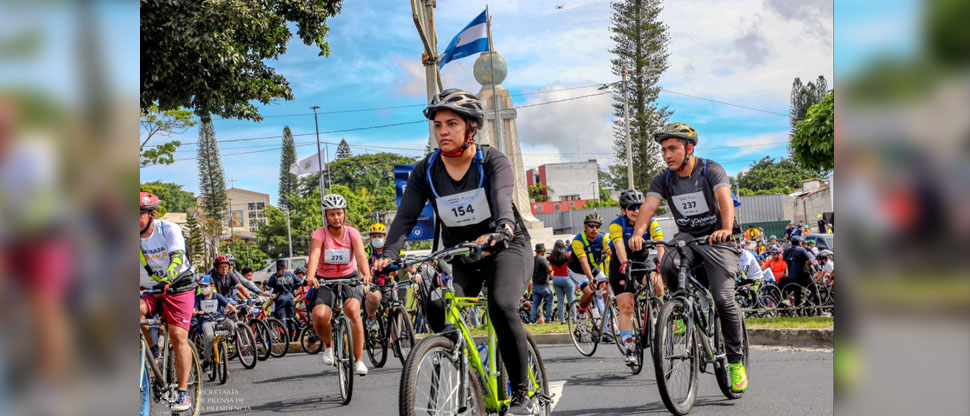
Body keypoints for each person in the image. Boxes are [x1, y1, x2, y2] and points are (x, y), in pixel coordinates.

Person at [372, 89, 536, 414]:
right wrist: (388, 255)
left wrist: (502, 229)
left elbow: (503, 200)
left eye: (451, 123)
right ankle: (463, 371)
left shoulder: (491, 161)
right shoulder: (426, 171)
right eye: (437, 124)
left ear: (471, 127)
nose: (442, 131)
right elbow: (406, 217)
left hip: (506, 246)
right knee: (441, 308)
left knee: (501, 306)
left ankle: (522, 394)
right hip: (463, 253)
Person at [628, 122, 748, 393]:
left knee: (723, 298)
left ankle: (735, 362)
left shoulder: (710, 169)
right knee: (668, 262)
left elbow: (724, 200)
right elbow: (648, 206)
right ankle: (681, 309)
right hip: (689, 239)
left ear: (689, 148)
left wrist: (726, 229)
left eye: (673, 149)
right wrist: (638, 233)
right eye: (663, 150)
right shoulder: (664, 178)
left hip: (718, 240)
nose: (667, 155)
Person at [138, 192, 197, 412]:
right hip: (150, 290)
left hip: (179, 286)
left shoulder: (169, 230)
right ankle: (154, 350)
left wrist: (169, 277)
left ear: (151, 214)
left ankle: (182, 393)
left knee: (178, 335)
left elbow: (177, 257)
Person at [305, 193, 372, 376]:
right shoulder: (320, 233)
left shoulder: (352, 233)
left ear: (344, 214)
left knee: (353, 312)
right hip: (325, 280)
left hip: (349, 277)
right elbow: (314, 255)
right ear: (326, 216)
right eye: (332, 214)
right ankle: (329, 345)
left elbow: (360, 256)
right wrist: (311, 275)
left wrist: (366, 274)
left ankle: (359, 360)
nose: (336, 217)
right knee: (319, 315)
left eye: (339, 213)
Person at [608, 188, 665, 366]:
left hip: (642, 260)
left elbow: (660, 243)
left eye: (639, 207)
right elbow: (619, 246)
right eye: (631, 207)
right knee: (626, 307)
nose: (636, 211)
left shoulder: (651, 222)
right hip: (621, 263)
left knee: (658, 286)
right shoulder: (617, 224)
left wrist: (661, 263)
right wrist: (624, 263)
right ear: (624, 210)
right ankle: (629, 347)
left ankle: (654, 312)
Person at [568, 212, 613, 342]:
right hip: (577, 270)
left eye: (597, 226)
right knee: (588, 291)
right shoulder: (578, 240)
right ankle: (581, 316)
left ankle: (606, 324)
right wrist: (591, 279)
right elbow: (583, 261)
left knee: (607, 291)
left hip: (593, 268)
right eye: (591, 226)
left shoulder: (603, 238)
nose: (594, 229)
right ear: (585, 227)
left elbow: (612, 254)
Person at [192, 275, 239, 367]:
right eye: (201, 286)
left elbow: (228, 305)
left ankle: (227, 342)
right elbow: (194, 310)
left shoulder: (217, 296)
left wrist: (234, 309)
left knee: (231, 324)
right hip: (206, 322)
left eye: (205, 286)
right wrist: (197, 312)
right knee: (209, 336)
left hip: (219, 320)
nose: (203, 288)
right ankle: (206, 359)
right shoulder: (198, 298)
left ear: (212, 286)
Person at [363, 222, 394, 333]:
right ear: (370, 237)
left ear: (384, 237)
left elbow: (403, 259)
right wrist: (365, 280)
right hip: (373, 283)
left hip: (387, 284)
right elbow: (360, 264)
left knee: (393, 311)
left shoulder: (390, 249)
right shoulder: (366, 250)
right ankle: (371, 319)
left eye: (379, 236)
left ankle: (397, 340)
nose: (377, 238)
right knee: (374, 296)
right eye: (374, 236)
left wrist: (415, 272)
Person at [266, 259, 304, 338]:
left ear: (276, 267)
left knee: (281, 317)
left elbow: (267, 287)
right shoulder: (290, 274)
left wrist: (276, 288)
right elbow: (300, 282)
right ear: (285, 266)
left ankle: (283, 337)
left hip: (281, 299)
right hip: (290, 297)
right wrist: (292, 289)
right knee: (291, 317)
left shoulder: (274, 276)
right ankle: (291, 336)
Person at [779, 236, 819, 307]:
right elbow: (810, 261)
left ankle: (798, 312)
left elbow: (785, 260)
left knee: (797, 293)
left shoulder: (786, 250)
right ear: (799, 242)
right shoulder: (801, 249)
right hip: (803, 276)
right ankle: (819, 310)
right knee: (814, 290)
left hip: (792, 277)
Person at [549, 240, 573, 324]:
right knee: (571, 300)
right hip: (567, 277)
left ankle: (562, 319)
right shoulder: (567, 255)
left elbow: (551, 267)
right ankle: (574, 319)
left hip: (556, 278)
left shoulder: (551, 257)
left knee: (560, 300)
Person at [530, 243, 554, 324]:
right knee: (549, 302)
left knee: (535, 304)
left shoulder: (532, 259)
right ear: (543, 251)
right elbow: (549, 271)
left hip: (535, 285)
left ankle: (531, 320)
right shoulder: (542, 259)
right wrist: (552, 266)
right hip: (544, 285)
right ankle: (548, 320)